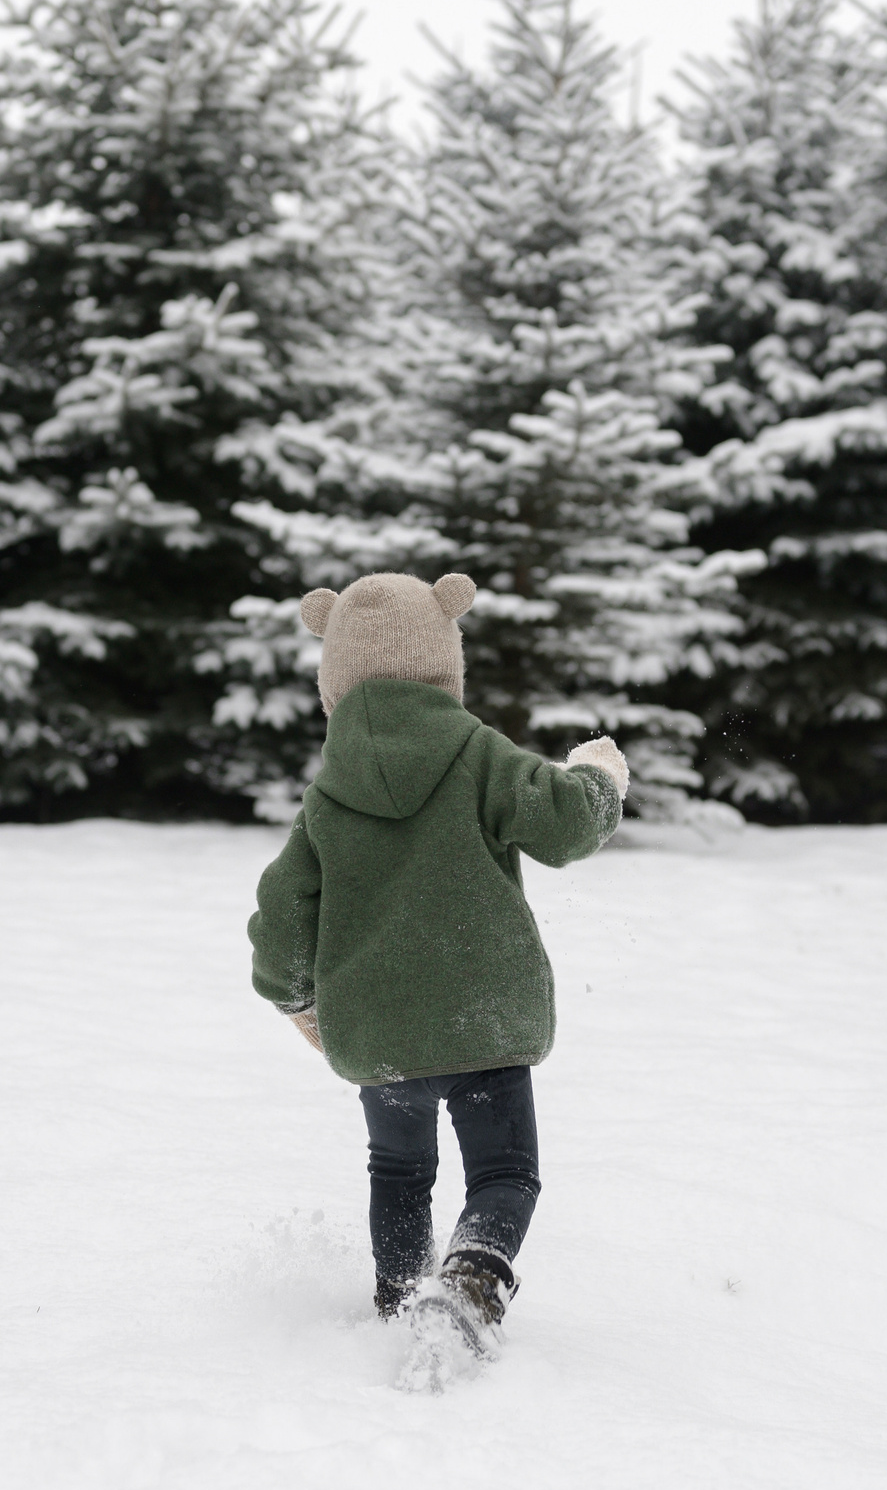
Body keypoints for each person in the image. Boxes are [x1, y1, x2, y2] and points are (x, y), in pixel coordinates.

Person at [246, 572, 626, 1374]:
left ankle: (399, 1301)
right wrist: (601, 778)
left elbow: (282, 915)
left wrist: (301, 1003)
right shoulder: (478, 756)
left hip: (380, 1034)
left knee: (400, 1170)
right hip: (484, 1021)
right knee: (505, 1173)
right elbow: (563, 826)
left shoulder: (327, 796)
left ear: (334, 678)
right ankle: (472, 1282)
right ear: (444, 659)